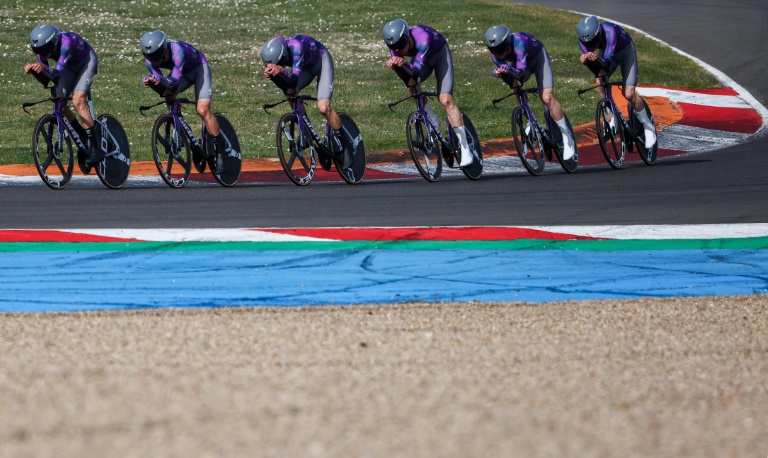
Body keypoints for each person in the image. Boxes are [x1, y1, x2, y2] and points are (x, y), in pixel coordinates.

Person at [382, 19, 474, 167]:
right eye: (393, 47)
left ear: (408, 38)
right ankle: (432, 119)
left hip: (439, 55)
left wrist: (404, 63)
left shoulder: (422, 37)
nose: (397, 50)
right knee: (411, 86)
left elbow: (417, 70)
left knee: (446, 100)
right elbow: (409, 79)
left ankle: (465, 149)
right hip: (422, 58)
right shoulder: (396, 46)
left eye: (400, 46)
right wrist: (396, 66)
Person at [140, 30, 228, 171]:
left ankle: (221, 150)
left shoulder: (178, 51)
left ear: (164, 49)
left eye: (156, 56)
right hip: (183, 74)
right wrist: (150, 80)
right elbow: (161, 82)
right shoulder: (150, 60)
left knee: (202, 110)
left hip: (199, 69)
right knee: (168, 95)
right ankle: (179, 127)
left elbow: (174, 81)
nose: (153, 60)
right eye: (149, 56)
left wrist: (159, 79)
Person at [485, 25, 576, 160]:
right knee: (514, 84)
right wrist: (500, 73)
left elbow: (521, 72)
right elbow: (512, 78)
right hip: (520, 63)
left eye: (500, 51)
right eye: (494, 51)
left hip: (538, 58)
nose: (498, 55)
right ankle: (527, 115)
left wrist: (508, 69)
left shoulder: (519, 43)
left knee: (547, 97)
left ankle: (567, 138)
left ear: (507, 44)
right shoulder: (495, 55)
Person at [260, 35, 351, 169]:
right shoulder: (274, 53)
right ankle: (307, 130)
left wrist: (282, 71)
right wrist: (273, 77)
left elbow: (294, 79)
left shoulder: (296, 47)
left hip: (321, 62)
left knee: (323, 107)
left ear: (283, 55)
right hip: (306, 66)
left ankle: (346, 146)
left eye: (280, 62)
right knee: (290, 93)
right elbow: (287, 86)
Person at [24, 24, 101, 165]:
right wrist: (36, 71)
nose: (41, 53)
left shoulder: (66, 42)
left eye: (44, 49)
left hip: (86, 62)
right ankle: (83, 136)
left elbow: (57, 71)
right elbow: (48, 80)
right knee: (59, 103)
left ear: (54, 42)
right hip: (68, 67)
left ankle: (97, 149)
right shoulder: (43, 51)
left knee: (78, 101)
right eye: (37, 50)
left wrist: (43, 68)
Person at [576, 16, 656, 148]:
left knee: (629, 93)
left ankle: (648, 127)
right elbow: (597, 70)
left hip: (625, 51)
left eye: (594, 42)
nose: (591, 46)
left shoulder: (610, 31)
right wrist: (587, 63)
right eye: (588, 44)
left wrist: (595, 58)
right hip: (608, 53)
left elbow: (607, 62)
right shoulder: (582, 41)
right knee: (600, 81)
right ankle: (612, 115)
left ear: (599, 33)